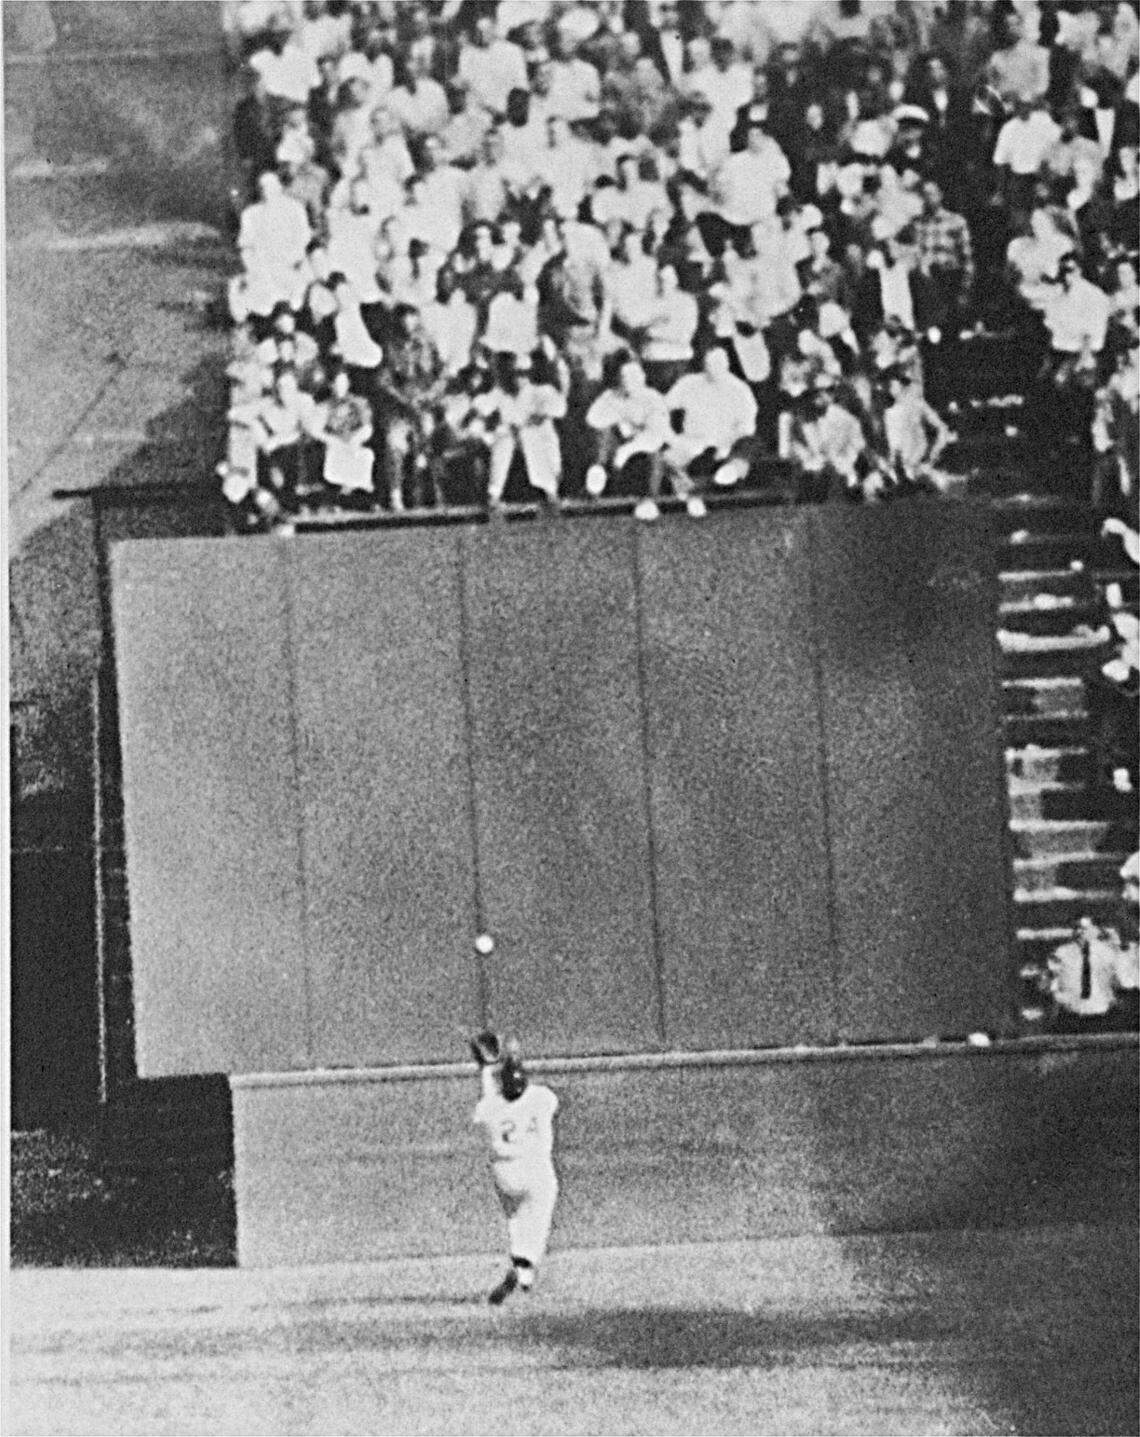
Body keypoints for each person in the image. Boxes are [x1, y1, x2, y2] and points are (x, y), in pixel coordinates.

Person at [471, 1037, 559, 1306]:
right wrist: (513, 1058)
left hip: (503, 1171)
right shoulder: (541, 1097)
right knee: (541, 1208)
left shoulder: (491, 1107)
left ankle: (521, 1262)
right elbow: (547, 1101)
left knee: (515, 1216)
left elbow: (489, 1100)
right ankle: (524, 1267)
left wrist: (487, 1069)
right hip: (534, 1166)